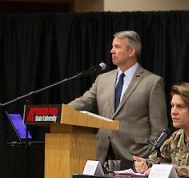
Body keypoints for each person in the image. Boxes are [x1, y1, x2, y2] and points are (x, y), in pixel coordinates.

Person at [69, 30, 168, 168]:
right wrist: (59, 111)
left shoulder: (152, 82)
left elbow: (159, 126)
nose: (111, 51)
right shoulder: (102, 79)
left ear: (131, 51)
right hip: (103, 155)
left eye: (117, 47)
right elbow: (83, 102)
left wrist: (149, 155)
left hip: (135, 156)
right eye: (112, 46)